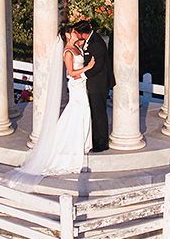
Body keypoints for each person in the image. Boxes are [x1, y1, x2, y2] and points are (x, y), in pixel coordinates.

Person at [15, 24, 94, 177]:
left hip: (82, 83)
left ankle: (84, 142)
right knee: (78, 110)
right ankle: (70, 144)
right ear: (68, 35)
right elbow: (71, 72)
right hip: (76, 84)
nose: (76, 33)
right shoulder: (68, 52)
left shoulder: (78, 47)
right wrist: (88, 68)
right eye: (73, 32)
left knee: (84, 110)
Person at [75, 19, 111, 152]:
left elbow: (97, 66)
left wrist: (82, 75)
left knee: (99, 113)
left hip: (98, 84)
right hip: (94, 82)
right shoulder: (91, 40)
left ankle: (101, 144)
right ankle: (95, 139)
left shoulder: (96, 43)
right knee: (95, 112)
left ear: (81, 34)